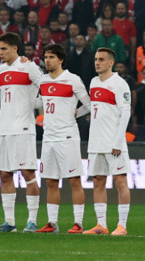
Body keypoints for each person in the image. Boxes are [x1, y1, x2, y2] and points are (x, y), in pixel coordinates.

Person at [0, 32, 43, 233]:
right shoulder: (0, 69)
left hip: (23, 128)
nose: (0, 52)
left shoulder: (29, 67)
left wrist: (37, 106)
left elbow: (46, 88)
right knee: (4, 174)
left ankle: (32, 221)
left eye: (4, 49)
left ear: (15, 48)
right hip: (4, 129)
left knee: (27, 172)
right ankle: (9, 222)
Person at [37, 44, 90, 234]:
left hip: (67, 136)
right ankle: (52, 223)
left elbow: (89, 104)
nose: (47, 60)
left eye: (51, 57)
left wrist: (73, 114)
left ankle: (78, 223)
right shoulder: (42, 81)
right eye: (46, 57)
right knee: (50, 181)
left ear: (61, 59)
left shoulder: (72, 80)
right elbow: (41, 102)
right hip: (48, 137)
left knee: (74, 180)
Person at [84, 47, 132, 236]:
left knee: (120, 181)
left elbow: (126, 112)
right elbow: (92, 106)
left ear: (111, 62)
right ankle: (101, 225)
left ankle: (122, 225)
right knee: (98, 181)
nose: (97, 62)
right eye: (96, 59)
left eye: (101, 59)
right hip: (96, 142)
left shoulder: (119, 84)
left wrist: (118, 141)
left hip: (114, 142)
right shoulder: (94, 82)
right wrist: (76, 113)